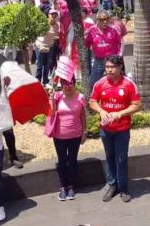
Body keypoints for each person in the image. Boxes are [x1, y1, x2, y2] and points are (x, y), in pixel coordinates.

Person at [89, 55, 140, 203]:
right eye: (107, 67)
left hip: (122, 129)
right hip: (106, 129)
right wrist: (101, 111)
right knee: (109, 157)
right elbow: (92, 101)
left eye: (112, 67)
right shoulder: (100, 83)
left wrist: (120, 113)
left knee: (121, 158)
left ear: (120, 67)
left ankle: (123, 187)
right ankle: (112, 185)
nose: (109, 70)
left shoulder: (129, 84)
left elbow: (137, 105)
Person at [48, 77, 87, 201]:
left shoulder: (80, 97)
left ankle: (71, 186)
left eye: (70, 83)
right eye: (65, 83)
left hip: (75, 135)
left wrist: (84, 132)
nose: (68, 86)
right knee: (62, 161)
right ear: (62, 84)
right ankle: (62, 186)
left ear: (75, 84)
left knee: (72, 160)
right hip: (59, 135)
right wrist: (52, 100)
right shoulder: (57, 96)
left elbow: (82, 115)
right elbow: (51, 113)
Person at [85, 10, 123, 85]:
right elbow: (87, 45)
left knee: (117, 81)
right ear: (97, 21)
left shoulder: (114, 29)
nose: (105, 22)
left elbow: (122, 43)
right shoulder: (92, 30)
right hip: (99, 60)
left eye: (106, 19)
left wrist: (119, 55)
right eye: (102, 20)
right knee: (93, 82)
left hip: (113, 61)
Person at [35, 9, 60, 86]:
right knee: (40, 65)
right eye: (52, 14)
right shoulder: (44, 23)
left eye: (55, 15)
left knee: (47, 65)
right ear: (48, 15)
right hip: (41, 46)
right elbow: (39, 33)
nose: (54, 16)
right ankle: (38, 81)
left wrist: (55, 37)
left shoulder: (57, 25)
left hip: (50, 46)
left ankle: (45, 82)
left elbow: (57, 35)